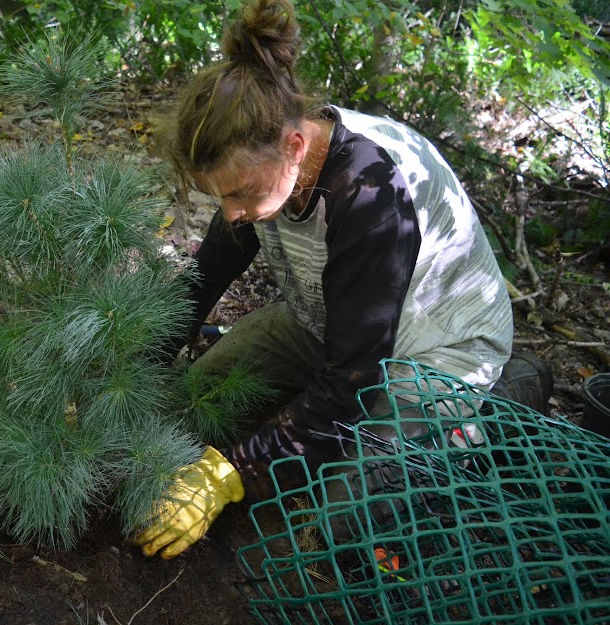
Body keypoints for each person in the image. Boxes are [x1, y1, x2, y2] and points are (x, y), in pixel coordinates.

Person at [135, 0, 553, 560]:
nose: (231, 212)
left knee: (344, 524)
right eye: (220, 196)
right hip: (330, 319)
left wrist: (229, 474)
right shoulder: (261, 159)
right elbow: (201, 282)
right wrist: (130, 367)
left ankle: (505, 394)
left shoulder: (371, 193)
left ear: (295, 148)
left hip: (430, 350)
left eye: (238, 194)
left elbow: (353, 377)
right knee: (199, 399)